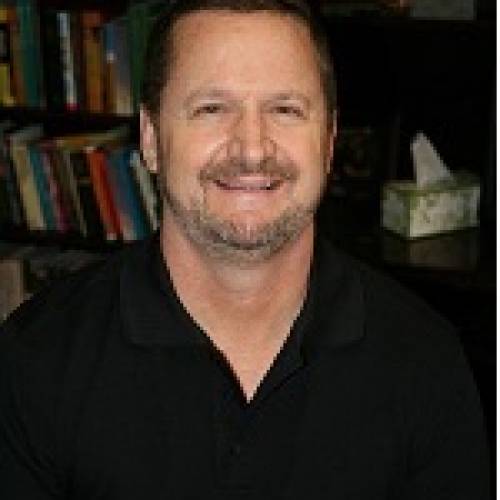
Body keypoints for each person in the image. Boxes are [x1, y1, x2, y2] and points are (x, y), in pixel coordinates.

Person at [0, 1, 490, 498]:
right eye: (212, 109)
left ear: (328, 140)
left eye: (285, 110)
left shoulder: (424, 360)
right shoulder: (33, 361)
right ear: (150, 138)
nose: (252, 149)